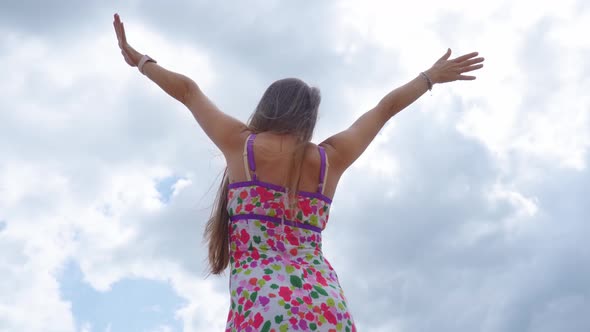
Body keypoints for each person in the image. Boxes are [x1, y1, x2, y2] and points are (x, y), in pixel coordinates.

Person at [113, 13, 484, 331]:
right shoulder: (329, 160)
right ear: (309, 118)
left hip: (264, 307)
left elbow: (190, 92)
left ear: (266, 107)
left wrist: (142, 61)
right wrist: (430, 76)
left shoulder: (244, 148)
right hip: (326, 306)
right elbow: (385, 108)